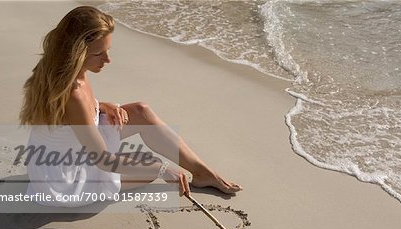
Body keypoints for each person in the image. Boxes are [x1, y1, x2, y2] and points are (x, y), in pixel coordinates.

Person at [19, 6, 241, 207]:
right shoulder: (72, 93)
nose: (108, 60)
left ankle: (202, 172)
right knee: (151, 167)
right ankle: (174, 170)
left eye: (108, 50)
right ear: (75, 53)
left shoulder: (59, 68)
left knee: (140, 111)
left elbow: (72, 116)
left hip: (74, 148)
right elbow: (103, 160)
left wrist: (102, 106)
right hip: (65, 180)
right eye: (99, 53)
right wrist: (163, 169)